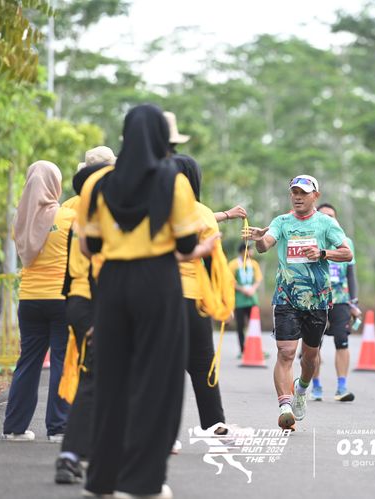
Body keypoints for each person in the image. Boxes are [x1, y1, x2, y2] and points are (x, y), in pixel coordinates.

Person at [78, 104, 202, 498]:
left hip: (112, 284)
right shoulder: (173, 181)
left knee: (111, 380)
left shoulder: (97, 184)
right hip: (158, 282)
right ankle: (140, 483)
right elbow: (186, 244)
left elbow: (89, 245)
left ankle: (101, 481)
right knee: (157, 382)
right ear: (162, 140)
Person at [243, 175, 352, 430]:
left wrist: (323, 253)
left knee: (310, 357)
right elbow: (265, 245)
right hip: (286, 296)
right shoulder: (281, 222)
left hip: (317, 299)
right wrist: (259, 239)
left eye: (303, 193)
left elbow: (347, 253)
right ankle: (285, 407)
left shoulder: (326, 223)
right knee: (286, 351)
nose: (298, 197)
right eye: (294, 192)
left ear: (316, 196)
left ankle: (301, 389)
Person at [55, 147, 115, 484]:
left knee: (92, 375)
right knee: (98, 378)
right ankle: (77, 454)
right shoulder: (106, 213)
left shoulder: (75, 209)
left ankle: (79, 452)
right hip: (97, 302)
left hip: (79, 301)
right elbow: (100, 265)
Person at [2, 161, 74, 442]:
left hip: (29, 299)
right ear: (55, 184)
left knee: (28, 361)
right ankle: (58, 428)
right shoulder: (68, 217)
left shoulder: (20, 221)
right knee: (60, 360)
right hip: (61, 299)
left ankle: (14, 427)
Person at [174, 154, 234, 438]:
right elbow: (214, 263)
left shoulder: (151, 208)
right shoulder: (202, 212)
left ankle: (162, 432)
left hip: (158, 295)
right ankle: (214, 422)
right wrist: (222, 301)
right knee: (202, 362)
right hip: (194, 298)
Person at [310, 202, 361, 402]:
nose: (328, 219)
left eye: (331, 215)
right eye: (323, 215)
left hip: (340, 300)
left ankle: (342, 387)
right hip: (315, 301)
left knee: (342, 341)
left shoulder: (346, 242)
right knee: (313, 346)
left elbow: (351, 273)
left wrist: (354, 302)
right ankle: (315, 386)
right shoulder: (310, 241)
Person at [229, 242, 263, 357]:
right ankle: (242, 350)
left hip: (252, 299)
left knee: (254, 324)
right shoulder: (233, 264)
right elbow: (229, 280)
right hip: (239, 300)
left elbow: (258, 279)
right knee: (240, 325)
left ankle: (256, 349)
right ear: (244, 251)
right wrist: (241, 289)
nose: (252, 252)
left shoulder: (254, 264)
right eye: (250, 250)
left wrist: (253, 289)